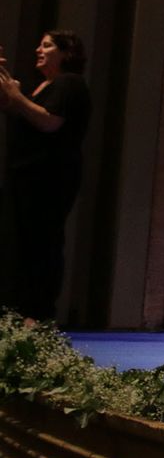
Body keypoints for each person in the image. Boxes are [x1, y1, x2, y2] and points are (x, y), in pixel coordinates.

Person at [0, 31, 92, 324]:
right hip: (24, 175)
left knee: (41, 243)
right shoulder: (44, 86)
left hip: (49, 178)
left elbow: (50, 121)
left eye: (47, 45)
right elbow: (18, 110)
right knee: (19, 244)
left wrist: (16, 97)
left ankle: (37, 314)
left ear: (66, 53)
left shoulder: (70, 83)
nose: (39, 49)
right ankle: (17, 311)